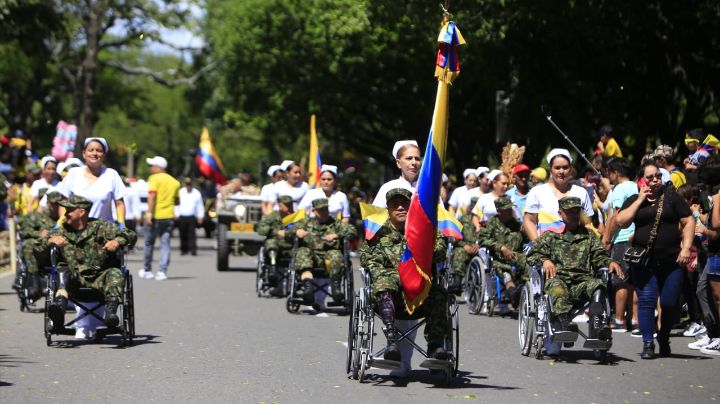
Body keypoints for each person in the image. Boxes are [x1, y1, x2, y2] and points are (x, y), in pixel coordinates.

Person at [360, 188, 451, 370]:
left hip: (420, 292)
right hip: (388, 295)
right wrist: (393, 276)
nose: (400, 208)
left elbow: (441, 250)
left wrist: (425, 248)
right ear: (388, 209)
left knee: (440, 293)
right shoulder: (377, 233)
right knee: (384, 282)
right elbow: (367, 259)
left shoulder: (426, 229)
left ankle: (435, 346)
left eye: (405, 205)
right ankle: (391, 338)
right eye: (395, 205)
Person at [615, 160, 694, 359]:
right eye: (649, 177)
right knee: (647, 300)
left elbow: (688, 220)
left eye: (657, 176)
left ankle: (664, 336)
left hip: (671, 260)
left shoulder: (672, 198)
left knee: (669, 303)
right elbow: (621, 221)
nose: (655, 180)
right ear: (641, 180)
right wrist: (640, 200)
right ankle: (648, 342)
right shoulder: (635, 198)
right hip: (644, 261)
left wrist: (685, 248)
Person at [527, 196, 624, 340]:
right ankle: (565, 324)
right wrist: (545, 260)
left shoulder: (589, 236)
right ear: (561, 214)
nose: (574, 215)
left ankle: (597, 325)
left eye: (576, 211)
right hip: (559, 280)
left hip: (582, 281)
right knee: (556, 286)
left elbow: (599, 255)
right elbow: (532, 255)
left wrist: (608, 262)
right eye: (569, 212)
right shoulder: (551, 236)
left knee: (597, 285)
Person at [40, 195, 136, 330]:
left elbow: (131, 235)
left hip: (100, 277)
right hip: (74, 280)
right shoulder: (61, 231)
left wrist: (117, 241)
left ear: (81, 212)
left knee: (114, 273)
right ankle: (59, 309)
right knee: (63, 272)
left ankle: (111, 314)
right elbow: (37, 245)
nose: (65, 214)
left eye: (69, 210)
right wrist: (50, 241)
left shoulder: (102, 227)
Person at [523, 148, 594, 241]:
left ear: (571, 169)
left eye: (565, 167)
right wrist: (538, 246)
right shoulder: (537, 192)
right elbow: (529, 221)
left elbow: (587, 223)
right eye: (557, 168)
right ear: (550, 169)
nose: (561, 171)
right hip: (545, 250)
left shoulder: (581, 192)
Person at [601, 158, 638, 332]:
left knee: (620, 280)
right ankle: (635, 319)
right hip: (636, 237)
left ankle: (619, 319)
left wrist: (607, 240)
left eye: (609, 172)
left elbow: (615, 217)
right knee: (634, 280)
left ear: (615, 172)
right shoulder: (636, 186)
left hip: (621, 238)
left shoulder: (619, 189)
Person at [294, 198, 356, 304]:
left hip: (329, 257)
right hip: (311, 256)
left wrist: (336, 235)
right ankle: (308, 288)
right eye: (320, 210)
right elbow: (290, 231)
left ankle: (336, 288)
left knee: (336, 254)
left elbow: (352, 231)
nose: (323, 212)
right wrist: (297, 231)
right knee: (302, 251)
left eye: (325, 209)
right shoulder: (305, 222)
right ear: (313, 211)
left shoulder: (335, 223)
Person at [54, 137, 126, 223]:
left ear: (104, 155)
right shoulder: (73, 173)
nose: (94, 153)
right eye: (90, 150)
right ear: (84, 153)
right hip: (77, 229)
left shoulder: (111, 175)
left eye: (99, 150)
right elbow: (63, 202)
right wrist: (62, 221)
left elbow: (119, 204)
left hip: (104, 230)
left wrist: (121, 224)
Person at [477, 197, 529, 309]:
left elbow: (527, 235)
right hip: (498, 258)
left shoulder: (516, 223)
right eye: (506, 210)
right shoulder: (491, 223)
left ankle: (524, 290)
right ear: (499, 211)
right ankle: (512, 291)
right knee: (506, 273)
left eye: (510, 209)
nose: (510, 212)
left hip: (516, 255)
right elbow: (482, 239)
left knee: (527, 262)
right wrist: (501, 247)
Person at [13, 191, 64, 300]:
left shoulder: (65, 218)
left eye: (58, 204)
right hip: (42, 253)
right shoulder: (38, 217)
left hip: (62, 252)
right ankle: (34, 282)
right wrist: (39, 234)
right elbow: (24, 231)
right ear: (48, 204)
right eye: (53, 203)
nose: (55, 206)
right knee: (29, 244)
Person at [140, 156, 180, 281]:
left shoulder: (154, 178)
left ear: (159, 167)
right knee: (165, 244)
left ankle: (147, 270)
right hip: (168, 216)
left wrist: (149, 213)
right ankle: (162, 271)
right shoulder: (175, 182)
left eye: (152, 166)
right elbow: (177, 201)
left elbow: (152, 196)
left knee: (148, 243)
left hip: (155, 216)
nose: (150, 168)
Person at [255, 195, 296, 295]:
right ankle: (273, 267)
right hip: (275, 246)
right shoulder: (273, 216)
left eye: (290, 205)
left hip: (291, 246)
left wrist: (289, 232)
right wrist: (275, 231)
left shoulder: (296, 217)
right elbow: (261, 229)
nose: (288, 208)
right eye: (286, 205)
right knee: (270, 242)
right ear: (280, 206)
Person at [372, 140, 420, 208]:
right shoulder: (388, 188)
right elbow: (374, 216)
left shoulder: (429, 188)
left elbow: (440, 216)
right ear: (398, 163)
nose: (414, 162)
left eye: (417, 158)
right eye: (409, 158)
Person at [449, 196, 481, 293]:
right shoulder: (463, 219)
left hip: (480, 247)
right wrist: (464, 245)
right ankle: (457, 282)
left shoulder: (486, 221)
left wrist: (478, 245)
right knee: (459, 252)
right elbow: (454, 237)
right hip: (465, 246)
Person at [175, 177, 204, 256]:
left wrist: (200, 216)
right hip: (182, 216)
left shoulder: (196, 193)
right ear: (184, 184)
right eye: (187, 184)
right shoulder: (180, 192)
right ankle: (184, 249)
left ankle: (193, 249)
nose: (188, 186)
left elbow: (200, 205)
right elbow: (177, 204)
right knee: (182, 234)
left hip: (191, 216)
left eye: (189, 184)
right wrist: (176, 214)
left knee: (192, 234)